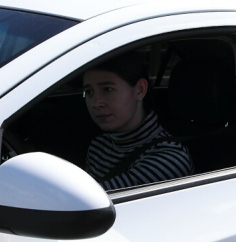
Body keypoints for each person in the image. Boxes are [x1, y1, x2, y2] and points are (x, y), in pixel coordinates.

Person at [82, 52, 193, 190]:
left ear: (140, 90)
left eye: (107, 89)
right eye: (89, 92)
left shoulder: (167, 158)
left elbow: (92, 201)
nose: (95, 103)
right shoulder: (99, 145)